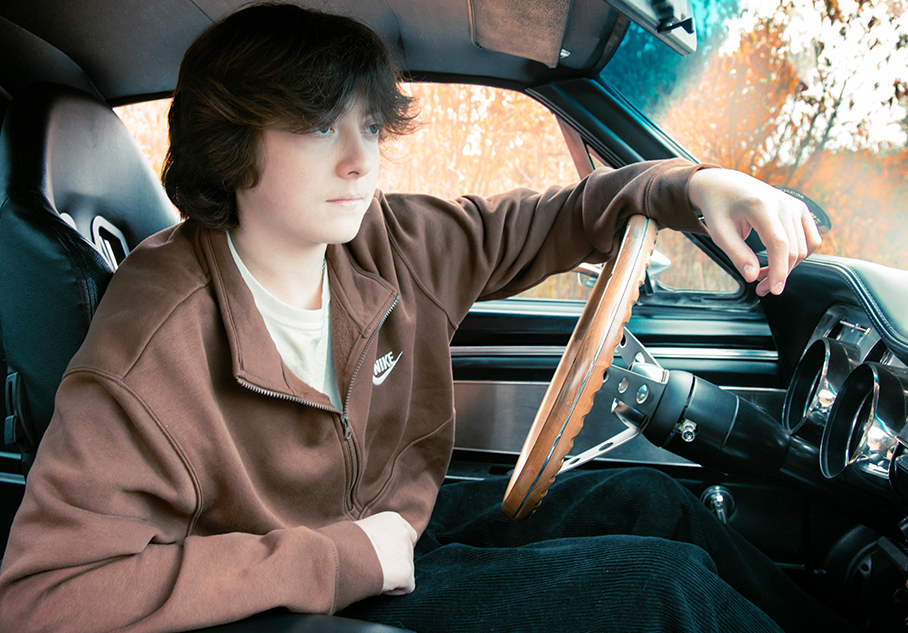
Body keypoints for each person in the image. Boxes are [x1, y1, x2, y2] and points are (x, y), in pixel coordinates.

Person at [0, 4, 847, 633]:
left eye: (368, 124)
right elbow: (42, 596)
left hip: (399, 529)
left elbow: (556, 218)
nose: (360, 156)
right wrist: (335, 559)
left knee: (645, 498)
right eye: (319, 125)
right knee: (661, 587)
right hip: (308, 601)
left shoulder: (388, 239)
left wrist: (692, 187)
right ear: (231, 143)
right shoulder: (153, 338)